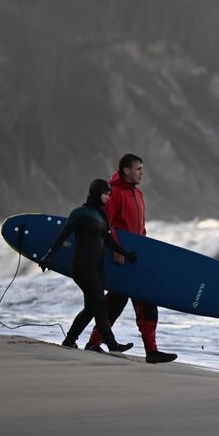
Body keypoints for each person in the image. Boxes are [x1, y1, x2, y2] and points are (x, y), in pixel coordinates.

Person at [84, 153, 179, 364]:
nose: (141, 173)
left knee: (124, 299)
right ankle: (148, 351)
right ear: (126, 170)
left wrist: (145, 250)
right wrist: (116, 249)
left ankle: (96, 343)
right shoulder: (114, 192)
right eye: (138, 169)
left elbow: (140, 228)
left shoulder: (139, 194)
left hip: (135, 255)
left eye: (142, 169)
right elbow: (107, 223)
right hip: (118, 254)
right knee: (133, 298)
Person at [38, 179, 138, 353]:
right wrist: (49, 256)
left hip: (97, 268)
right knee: (100, 303)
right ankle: (111, 343)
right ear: (96, 193)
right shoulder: (79, 213)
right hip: (82, 266)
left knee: (91, 308)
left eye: (109, 194)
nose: (108, 197)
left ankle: (70, 340)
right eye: (106, 194)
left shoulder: (102, 215)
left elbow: (109, 240)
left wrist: (125, 253)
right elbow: (63, 235)